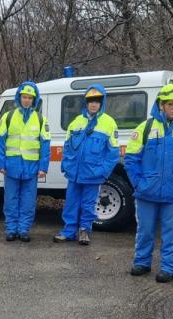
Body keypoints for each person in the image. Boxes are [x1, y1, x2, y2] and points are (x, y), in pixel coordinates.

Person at [124, 84, 173, 283]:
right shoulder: (145, 128)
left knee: (172, 233)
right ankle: (142, 262)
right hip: (146, 193)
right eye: (170, 104)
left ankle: (169, 268)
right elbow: (131, 159)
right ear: (161, 105)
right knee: (145, 231)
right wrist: (138, 184)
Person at [54, 84, 119, 245]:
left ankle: (84, 231)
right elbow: (68, 146)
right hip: (74, 174)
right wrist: (66, 165)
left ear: (102, 102)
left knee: (88, 205)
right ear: (86, 102)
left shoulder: (109, 123)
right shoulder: (76, 121)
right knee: (70, 203)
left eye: (97, 101)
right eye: (90, 101)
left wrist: (103, 172)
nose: (93, 104)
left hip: (93, 174)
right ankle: (69, 232)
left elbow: (113, 154)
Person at [0, 82, 51, 242]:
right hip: (11, 167)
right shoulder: (8, 117)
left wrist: (43, 168)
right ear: (19, 98)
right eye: (24, 97)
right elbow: (0, 141)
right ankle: (11, 230)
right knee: (10, 200)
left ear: (34, 100)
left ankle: (24, 230)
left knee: (28, 202)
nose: (27, 100)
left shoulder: (40, 119)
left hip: (32, 169)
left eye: (30, 98)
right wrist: (1, 164)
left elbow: (45, 145)